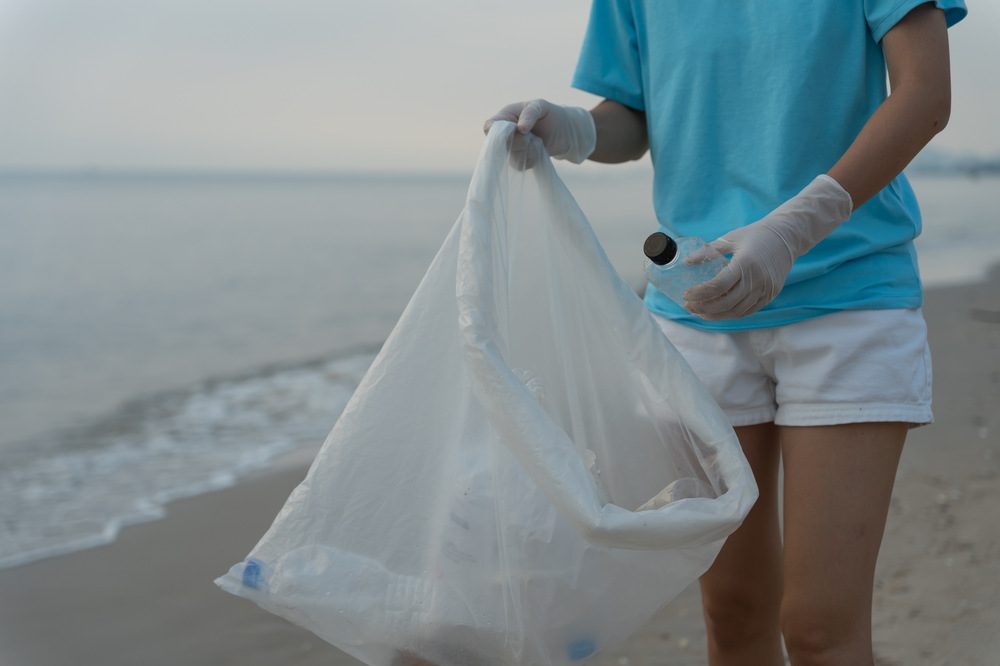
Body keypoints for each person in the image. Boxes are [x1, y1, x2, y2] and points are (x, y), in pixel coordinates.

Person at [484, 1, 966, 665]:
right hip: (698, 310)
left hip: (848, 302)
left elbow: (924, 95)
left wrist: (794, 227)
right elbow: (637, 111)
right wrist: (574, 130)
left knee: (821, 628)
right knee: (732, 614)